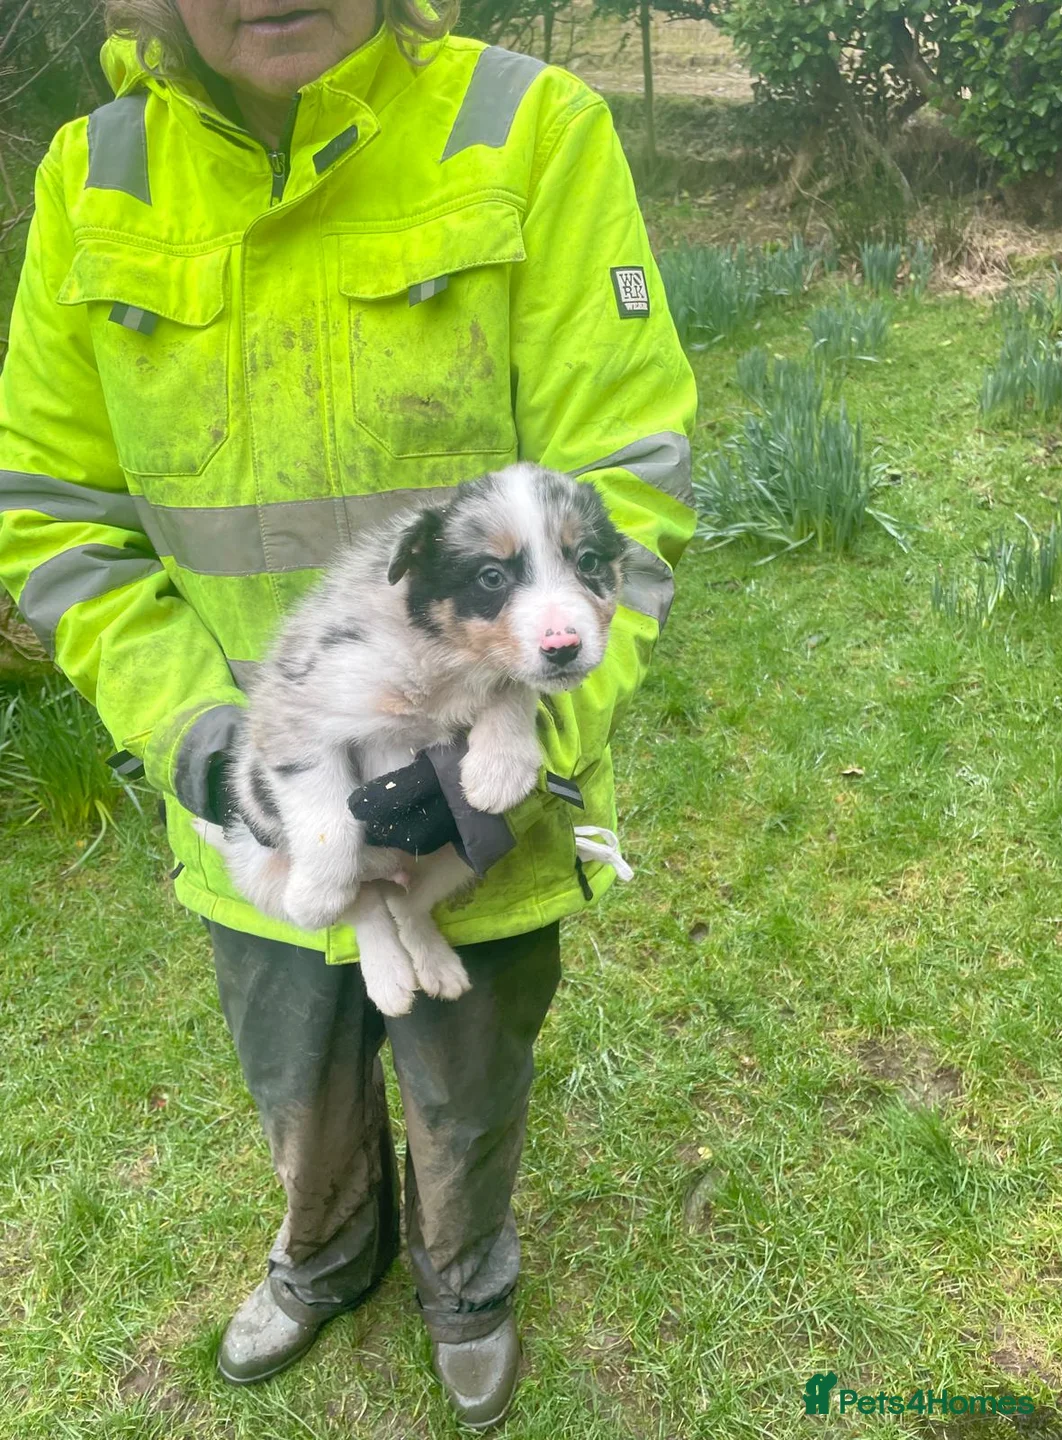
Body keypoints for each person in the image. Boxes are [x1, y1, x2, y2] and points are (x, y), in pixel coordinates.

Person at [0, 0, 696, 1426]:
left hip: (475, 792)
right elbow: (54, 514)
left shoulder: (526, 127)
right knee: (296, 1076)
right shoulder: (98, 171)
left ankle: (468, 1273)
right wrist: (202, 741)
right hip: (254, 810)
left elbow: (624, 491)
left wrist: (519, 748)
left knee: (467, 1073)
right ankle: (324, 1253)